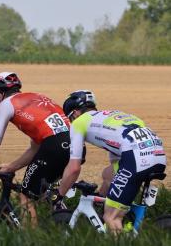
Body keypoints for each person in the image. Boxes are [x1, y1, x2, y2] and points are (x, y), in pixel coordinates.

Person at [0, 72, 71, 224]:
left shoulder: (6, 104)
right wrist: (12, 167)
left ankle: (29, 238)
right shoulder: (36, 96)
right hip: (75, 146)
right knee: (43, 192)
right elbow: (35, 148)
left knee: (26, 195)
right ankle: (63, 225)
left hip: (54, 146)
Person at [54, 90, 167, 234]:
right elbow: (116, 165)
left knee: (111, 217)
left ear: (75, 113)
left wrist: (59, 195)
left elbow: (74, 168)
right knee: (107, 174)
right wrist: (103, 197)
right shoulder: (112, 117)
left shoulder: (79, 123)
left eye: (70, 118)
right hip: (158, 155)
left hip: (137, 157)